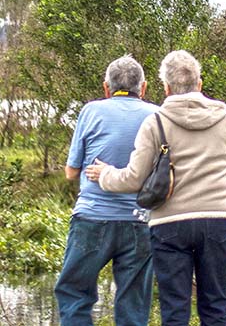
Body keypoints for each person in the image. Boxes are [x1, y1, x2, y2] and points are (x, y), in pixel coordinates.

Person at [85, 50, 226, 326]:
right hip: (219, 222)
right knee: (216, 308)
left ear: (166, 87)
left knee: (174, 310)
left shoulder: (155, 122)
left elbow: (134, 179)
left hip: (170, 226)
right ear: (200, 83)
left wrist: (104, 174)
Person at [54, 55, 160, 326]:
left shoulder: (91, 111)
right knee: (133, 305)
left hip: (92, 219)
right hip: (140, 221)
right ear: (143, 88)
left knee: (74, 292)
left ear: (106, 88)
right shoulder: (156, 115)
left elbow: (71, 172)